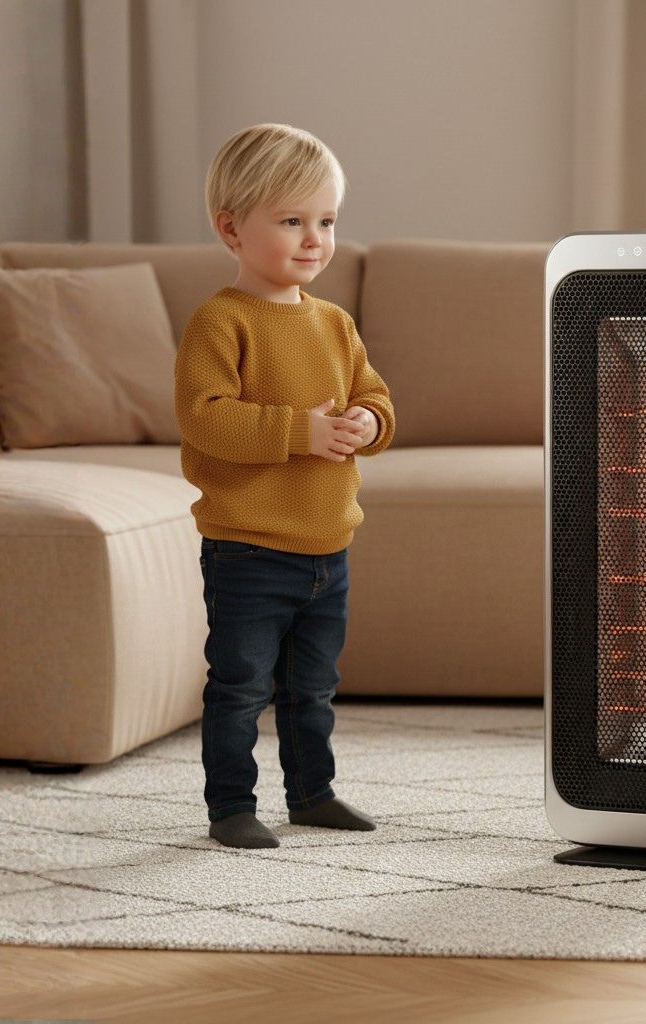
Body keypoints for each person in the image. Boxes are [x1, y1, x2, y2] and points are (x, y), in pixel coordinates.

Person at [175, 123, 395, 849]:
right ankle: (231, 807)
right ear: (232, 229)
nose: (314, 239)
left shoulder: (335, 323)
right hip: (247, 550)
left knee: (312, 690)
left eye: (326, 221)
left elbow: (376, 395)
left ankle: (313, 794)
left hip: (328, 549)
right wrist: (295, 433)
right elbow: (207, 420)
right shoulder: (219, 322)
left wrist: (368, 421)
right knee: (239, 688)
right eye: (293, 221)